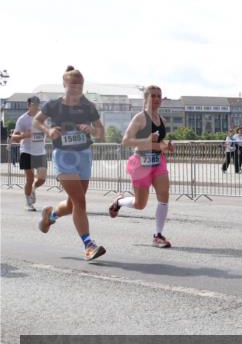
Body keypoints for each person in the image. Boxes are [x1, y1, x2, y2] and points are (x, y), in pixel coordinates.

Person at [33, 66, 107, 261]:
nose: (76, 88)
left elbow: (101, 132)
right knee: (80, 202)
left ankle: (50, 217)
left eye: (80, 85)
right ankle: (88, 245)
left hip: (83, 155)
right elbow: (37, 121)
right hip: (64, 157)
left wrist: (91, 129)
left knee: (73, 204)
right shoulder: (53, 105)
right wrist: (48, 131)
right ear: (64, 84)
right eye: (73, 84)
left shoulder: (88, 106)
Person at [108, 85, 175, 248]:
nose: (157, 99)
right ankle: (120, 202)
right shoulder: (140, 118)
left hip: (158, 161)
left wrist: (166, 146)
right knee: (140, 204)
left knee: (164, 195)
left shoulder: (162, 120)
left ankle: (158, 235)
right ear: (146, 99)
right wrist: (146, 140)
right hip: (141, 163)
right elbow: (126, 141)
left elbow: (157, 143)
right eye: (153, 96)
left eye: (159, 96)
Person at [10, 95, 48, 211]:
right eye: (33, 105)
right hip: (27, 151)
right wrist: (24, 135)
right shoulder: (23, 119)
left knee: (41, 179)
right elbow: (13, 137)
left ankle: (33, 189)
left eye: (37, 104)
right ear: (29, 106)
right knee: (30, 178)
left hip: (40, 152)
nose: (36, 107)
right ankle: (28, 203)